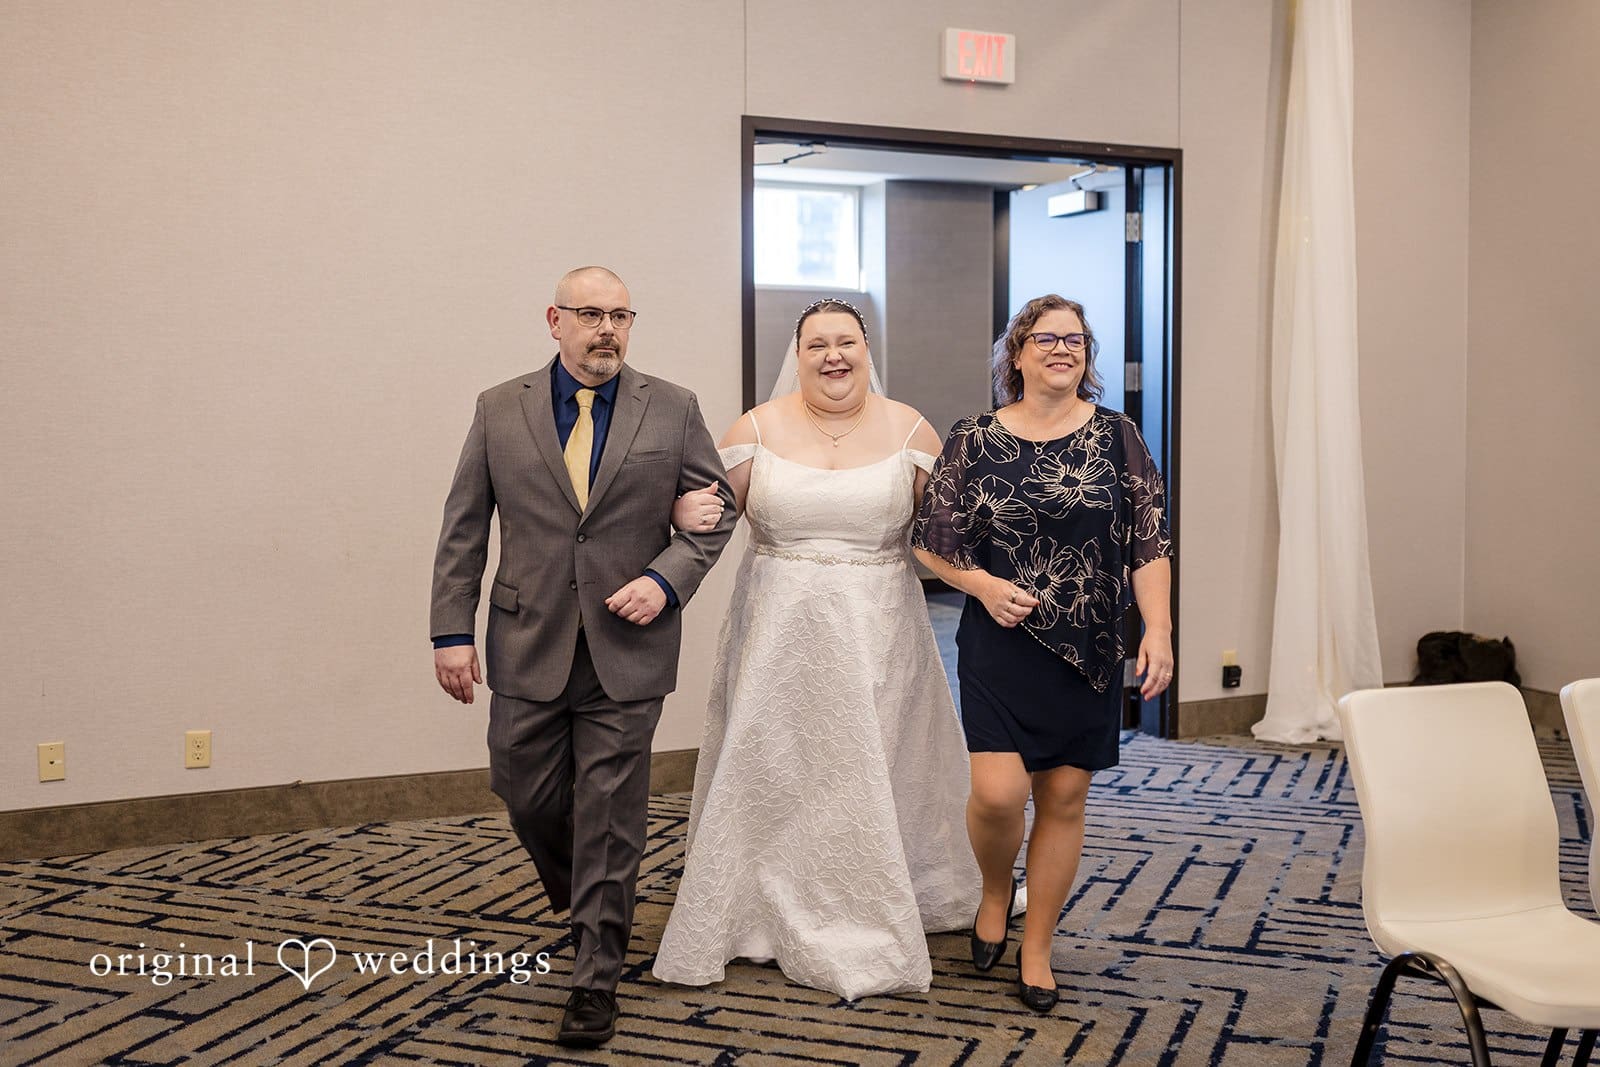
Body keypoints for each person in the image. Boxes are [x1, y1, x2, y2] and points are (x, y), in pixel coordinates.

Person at [429, 266, 736, 1047]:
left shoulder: (672, 406)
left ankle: (595, 976)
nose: (607, 329)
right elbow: (465, 526)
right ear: (554, 319)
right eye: (591, 314)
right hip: (526, 638)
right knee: (523, 790)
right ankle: (589, 886)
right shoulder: (500, 407)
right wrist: (450, 631)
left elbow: (717, 509)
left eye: (620, 315)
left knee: (610, 815)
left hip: (627, 648)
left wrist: (664, 580)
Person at [650, 299, 982, 1000]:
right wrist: (678, 511)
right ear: (796, 356)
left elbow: (946, 535)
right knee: (778, 763)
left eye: (846, 342)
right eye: (817, 345)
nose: (834, 356)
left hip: (880, 631)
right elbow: (708, 515)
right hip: (779, 633)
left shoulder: (911, 427)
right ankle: (760, 901)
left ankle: (881, 896)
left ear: (866, 349)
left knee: (875, 760)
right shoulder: (756, 428)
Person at [911, 294, 1173, 1014]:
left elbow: (1149, 540)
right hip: (998, 643)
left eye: (1076, 339)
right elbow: (931, 541)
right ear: (1017, 353)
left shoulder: (1119, 436)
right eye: (1047, 338)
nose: (1063, 349)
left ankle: (1038, 947)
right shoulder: (974, 438)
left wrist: (1157, 629)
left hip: (1089, 646)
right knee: (999, 795)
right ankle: (997, 889)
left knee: (1063, 797)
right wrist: (981, 585)